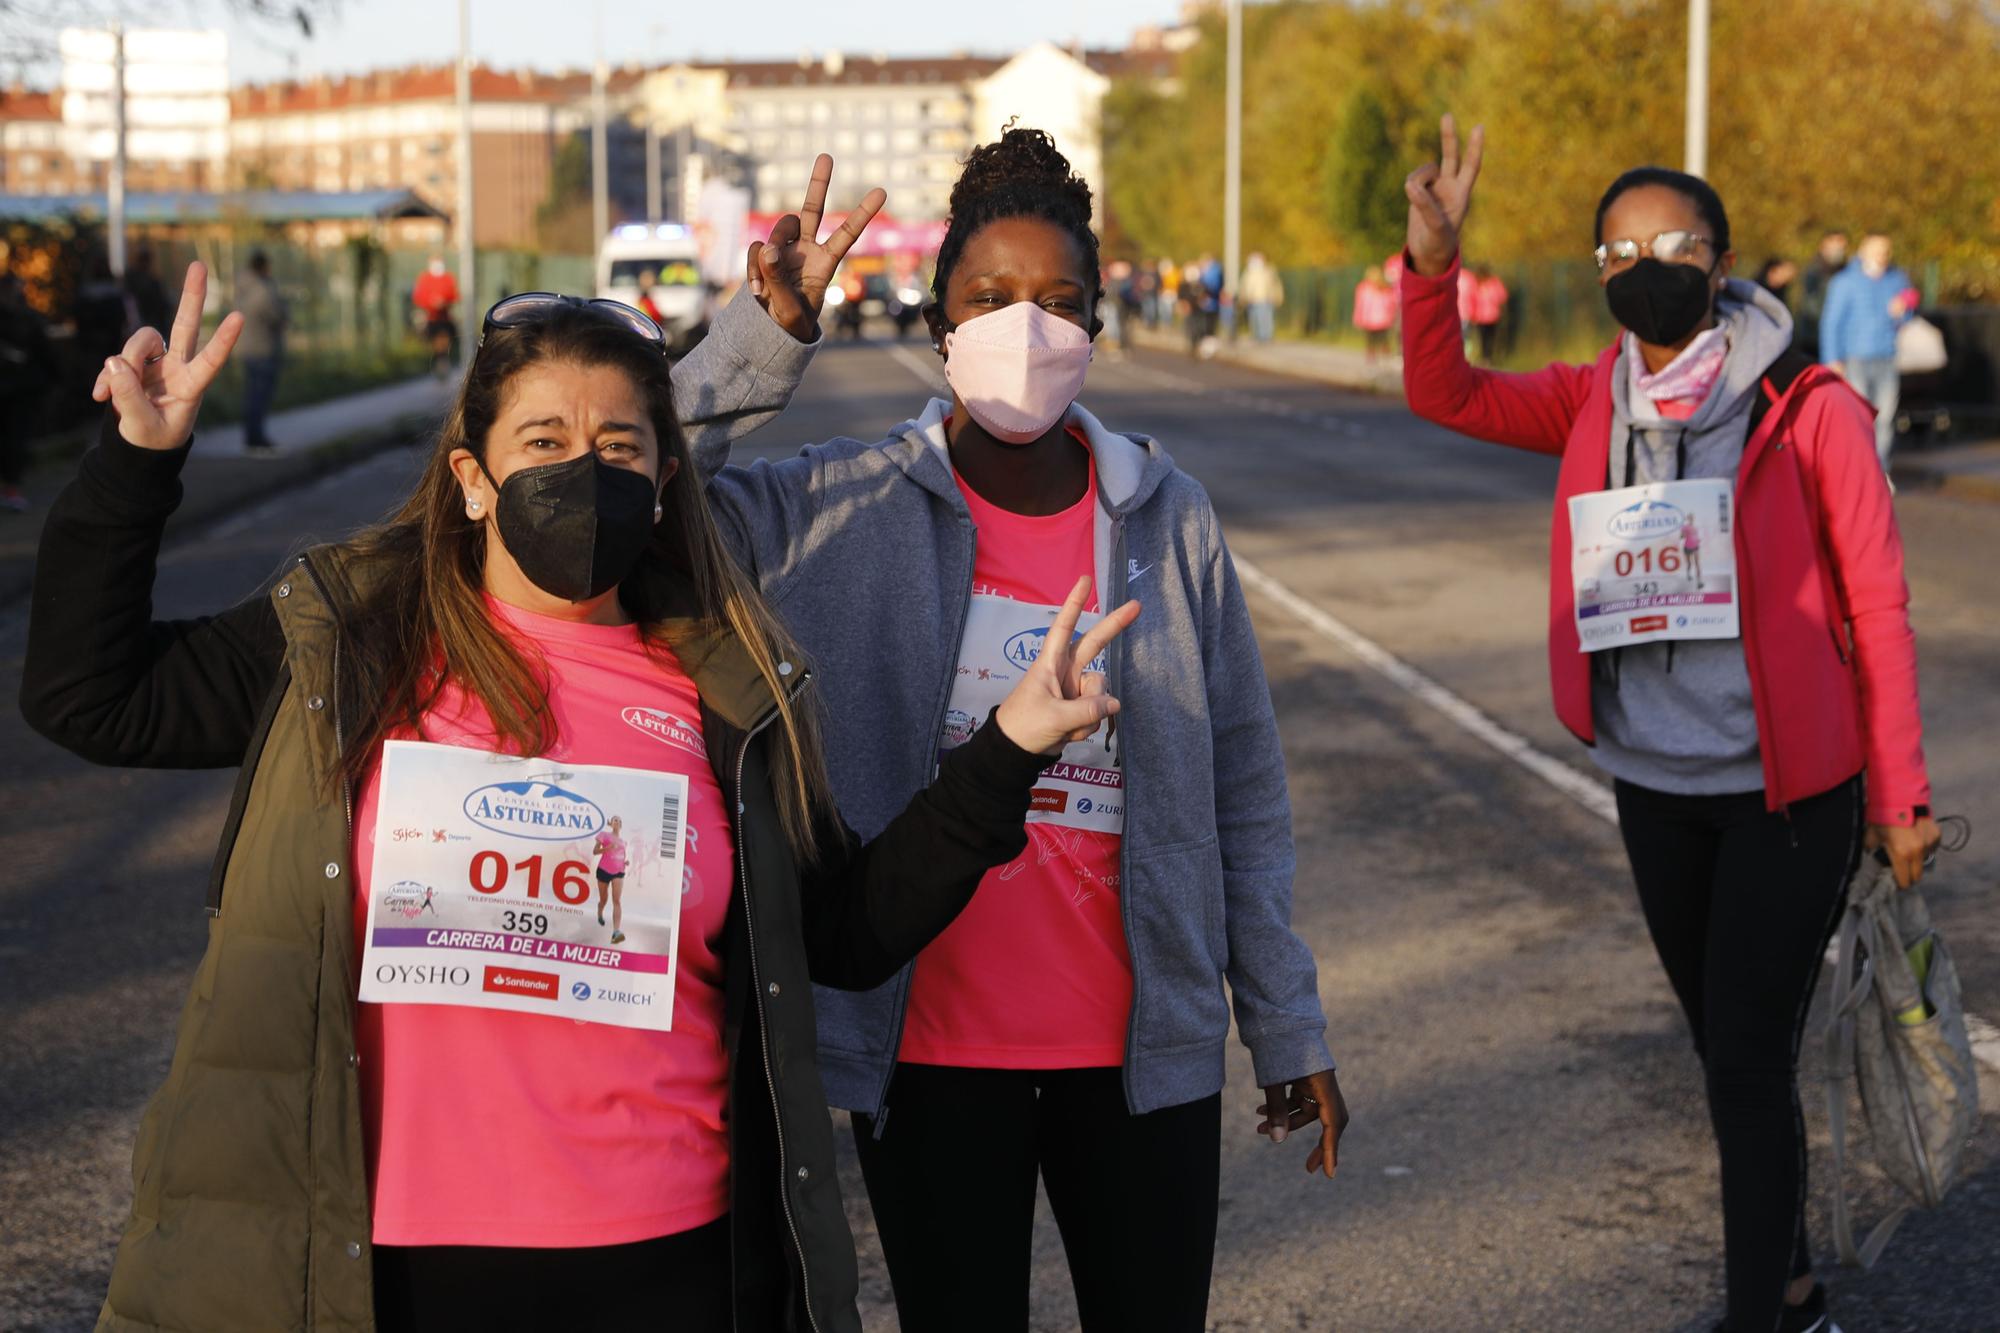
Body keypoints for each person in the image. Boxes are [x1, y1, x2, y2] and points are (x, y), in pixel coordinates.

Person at [23, 208, 1136, 1330]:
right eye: (543, 443)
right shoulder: (351, 647)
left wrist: (1007, 751)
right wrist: (136, 464)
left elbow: (839, 931)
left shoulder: (726, 692)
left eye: (617, 450)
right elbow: (89, 696)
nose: (581, 472)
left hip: (668, 1260)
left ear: (660, 483)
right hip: (399, 1264)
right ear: (471, 475)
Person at [703, 126, 1346, 1332]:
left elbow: (1242, 794)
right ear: (938, 322)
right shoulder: (831, 506)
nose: (1025, 326)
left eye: (1058, 301)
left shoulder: (1164, 512)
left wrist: (1283, 1017)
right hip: (929, 1054)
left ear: (1096, 325)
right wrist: (762, 339)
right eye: (988, 298)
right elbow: (638, 491)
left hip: (1136, 1055)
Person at [1400, 114, 1940, 1333]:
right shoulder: (1591, 397)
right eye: (1618, 250)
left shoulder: (1811, 410)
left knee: (1744, 1060)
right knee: (1725, 1056)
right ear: (1600, 274)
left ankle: (1766, 1312)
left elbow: (1878, 607)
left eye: (1673, 242)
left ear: (1720, 260)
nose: (1645, 264)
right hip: (1649, 781)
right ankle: (1788, 1273)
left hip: (1785, 791)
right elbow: (1443, 391)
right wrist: (1431, 267)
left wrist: (1899, 799)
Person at [1820, 232, 1919, 471]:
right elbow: (1832, 322)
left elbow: (1907, 313)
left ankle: (1879, 471)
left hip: (1886, 356)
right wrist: (1832, 359)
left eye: (1886, 250)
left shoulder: (1897, 279)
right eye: (1877, 249)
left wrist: (1903, 311)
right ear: (1863, 250)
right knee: (1857, 417)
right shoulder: (1845, 281)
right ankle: (1857, 469)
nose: (1882, 255)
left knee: (1884, 419)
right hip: (1855, 358)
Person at [0, 273, 57, 512]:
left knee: (15, 439)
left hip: (18, 390)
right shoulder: (25, 318)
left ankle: (11, 488)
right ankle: (10, 488)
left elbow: (43, 353)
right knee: (13, 440)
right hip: (17, 389)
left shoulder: (26, 318)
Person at [236, 249, 288, 454]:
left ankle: (252, 436)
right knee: (259, 396)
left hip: (248, 347)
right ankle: (256, 438)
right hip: (263, 348)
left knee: (252, 395)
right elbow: (276, 316)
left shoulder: (242, 286)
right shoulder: (262, 290)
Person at [1793, 230, 1848, 357]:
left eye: (1842, 246)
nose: (1838, 249)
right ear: (1824, 245)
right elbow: (1811, 306)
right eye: (1834, 244)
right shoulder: (1813, 271)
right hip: (1813, 337)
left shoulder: (1846, 271)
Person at [412, 253, 460, 371]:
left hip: (445, 317)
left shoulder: (448, 278)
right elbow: (418, 297)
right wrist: (431, 302)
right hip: (431, 317)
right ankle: (438, 360)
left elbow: (454, 295)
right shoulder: (424, 278)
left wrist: (444, 302)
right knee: (435, 338)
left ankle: (443, 360)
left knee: (445, 337)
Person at [1351, 263, 1397, 361]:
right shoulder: (1363, 288)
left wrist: (1391, 316)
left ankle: (1385, 358)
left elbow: (1391, 304)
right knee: (1371, 341)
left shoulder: (1384, 289)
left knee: (1383, 340)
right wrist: (1358, 318)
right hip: (1369, 320)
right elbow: (1360, 305)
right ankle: (1372, 359)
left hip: (1382, 320)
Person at [594, 814, 629, 941]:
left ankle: (616, 932)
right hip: (603, 870)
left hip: (619, 872)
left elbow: (621, 855)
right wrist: (607, 848)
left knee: (617, 901)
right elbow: (595, 851)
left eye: (620, 821)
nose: (618, 822)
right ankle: (600, 910)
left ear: (621, 825)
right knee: (604, 899)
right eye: (615, 820)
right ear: (611, 823)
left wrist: (625, 862)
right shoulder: (604, 835)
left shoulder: (624, 842)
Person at [125, 245, 172, 334]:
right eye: (142, 259)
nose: (145, 263)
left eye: (146, 260)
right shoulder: (132, 278)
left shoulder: (154, 281)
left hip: (154, 322)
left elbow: (162, 304)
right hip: (139, 320)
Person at [1239, 250, 1284, 343]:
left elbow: (1276, 285)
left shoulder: (1269, 271)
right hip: (1251, 299)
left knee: (1266, 319)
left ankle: (1266, 337)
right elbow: (1244, 285)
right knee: (1254, 319)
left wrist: (1278, 296)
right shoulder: (1248, 272)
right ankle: (1258, 337)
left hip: (1265, 298)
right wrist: (1243, 296)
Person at [1471, 263, 1510, 364]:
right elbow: (1472, 299)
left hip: (1492, 316)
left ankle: (1488, 357)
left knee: (1489, 337)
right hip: (1481, 317)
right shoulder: (1477, 284)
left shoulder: (1494, 283)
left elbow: (1502, 296)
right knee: (1483, 337)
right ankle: (1485, 357)